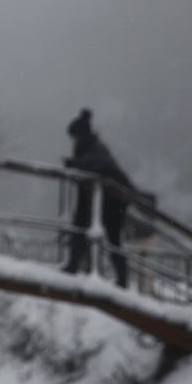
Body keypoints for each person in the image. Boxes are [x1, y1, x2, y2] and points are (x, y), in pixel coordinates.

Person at [61, 108, 134, 288]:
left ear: (78, 135)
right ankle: (75, 266)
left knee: (106, 236)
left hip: (110, 200)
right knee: (85, 230)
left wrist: (74, 164)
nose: (72, 141)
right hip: (103, 198)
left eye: (73, 137)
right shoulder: (92, 147)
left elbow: (98, 165)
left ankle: (119, 279)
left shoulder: (94, 149)